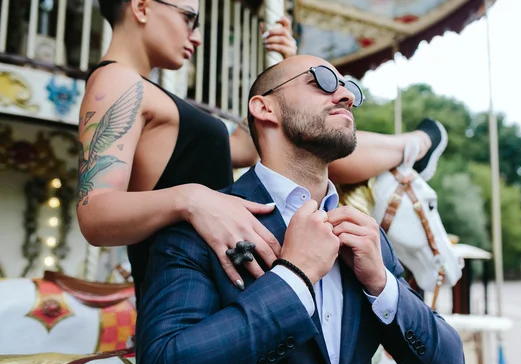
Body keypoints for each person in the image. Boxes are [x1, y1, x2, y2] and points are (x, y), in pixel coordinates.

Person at [135, 55, 464, 364]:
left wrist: (383, 287)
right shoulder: (198, 228)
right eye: (321, 80)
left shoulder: (366, 237)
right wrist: (294, 278)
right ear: (265, 108)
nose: (346, 96)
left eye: (349, 88)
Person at [78, 0, 447, 302]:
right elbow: (95, 213)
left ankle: (411, 146)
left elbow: (242, 147)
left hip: (221, 281)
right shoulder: (118, 80)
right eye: (189, 18)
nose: (197, 35)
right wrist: (193, 200)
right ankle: (413, 146)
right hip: (188, 290)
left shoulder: (150, 93)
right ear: (141, 7)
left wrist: (286, 72)